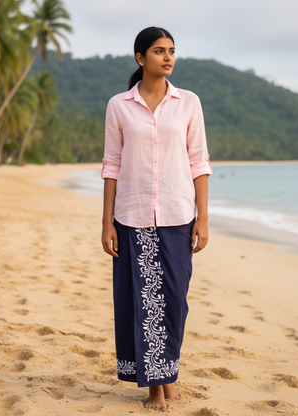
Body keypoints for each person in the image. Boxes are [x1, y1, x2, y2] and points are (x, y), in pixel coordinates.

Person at [101, 26, 213, 412]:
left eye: (172, 51)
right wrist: (106, 222)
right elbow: (112, 165)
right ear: (140, 58)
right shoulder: (119, 105)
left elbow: (199, 161)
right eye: (159, 51)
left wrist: (203, 218)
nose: (168, 57)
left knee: (174, 300)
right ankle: (155, 386)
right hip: (132, 216)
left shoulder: (188, 103)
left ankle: (169, 373)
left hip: (178, 213)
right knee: (144, 300)